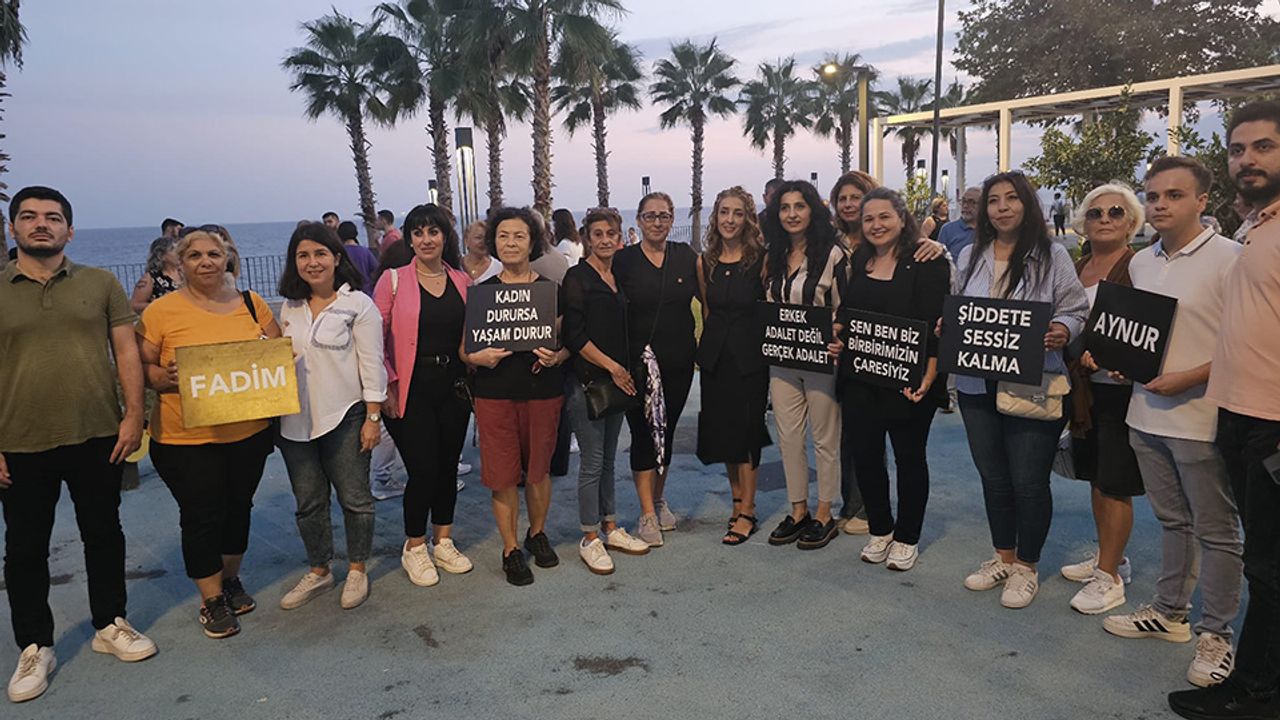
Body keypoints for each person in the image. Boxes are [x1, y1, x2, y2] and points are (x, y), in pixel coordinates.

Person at [2, 186, 156, 703]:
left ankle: (110, 623)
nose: (40, 224)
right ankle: (35, 645)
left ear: (70, 230)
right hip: (20, 440)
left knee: (103, 533)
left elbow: (125, 351)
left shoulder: (100, 283)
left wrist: (133, 414)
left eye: (52, 217)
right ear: (13, 228)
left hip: (96, 433)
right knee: (25, 547)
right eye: (29, 217)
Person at [1102, 156, 1243, 689]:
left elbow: (1245, 343)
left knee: (1217, 531)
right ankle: (1169, 611)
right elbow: (1139, 335)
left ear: (1202, 200)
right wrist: (1124, 361)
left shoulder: (1232, 259)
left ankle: (1217, 633)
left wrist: (1190, 377)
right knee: (1172, 521)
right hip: (1143, 414)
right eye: (1154, 195)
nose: (1160, 205)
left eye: (1174, 195)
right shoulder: (1141, 262)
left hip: (1203, 418)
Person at [1169, 100, 1280, 720]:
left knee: (1268, 566)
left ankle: (1257, 692)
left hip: (1272, 424)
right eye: (1238, 149)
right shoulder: (1258, 227)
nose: (1247, 159)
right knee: (1263, 559)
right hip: (1238, 416)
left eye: (1263, 146)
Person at [137, 229, 280, 639]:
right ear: (180, 264)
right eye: (195, 255)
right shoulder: (161, 312)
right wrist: (162, 377)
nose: (205, 262)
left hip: (248, 433)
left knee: (238, 508)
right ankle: (211, 599)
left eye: (214, 254)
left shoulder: (252, 304)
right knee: (201, 515)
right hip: (184, 439)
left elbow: (277, 354)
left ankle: (230, 579)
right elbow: (140, 367)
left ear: (227, 259)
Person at [955, 171, 1088, 609]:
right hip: (976, 383)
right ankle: (1003, 556)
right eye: (994, 201)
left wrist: (1062, 329)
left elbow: (1076, 309)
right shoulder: (969, 255)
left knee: (1029, 481)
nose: (1002, 208)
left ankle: (1027, 567)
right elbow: (958, 308)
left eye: (1011, 198)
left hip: (1032, 381)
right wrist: (947, 327)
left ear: (1027, 203)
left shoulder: (1052, 255)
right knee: (993, 477)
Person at [275, 223, 386, 611]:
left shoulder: (359, 305)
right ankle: (320, 569)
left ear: (337, 258)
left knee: (355, 498)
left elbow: (372, 363)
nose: (312, 262)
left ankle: (357, 568)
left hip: (346, 416)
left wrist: (373, 417)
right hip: (294, 421)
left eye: (320, 254)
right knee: (308, 502)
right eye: (303, 255)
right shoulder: (289, 307)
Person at [841, 187, 949, 571]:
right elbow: (849, 314)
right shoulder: (860, 258)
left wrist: (930, 374)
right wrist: (839, 335)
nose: (876, 225)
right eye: (869, 218)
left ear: (902, 219)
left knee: (909, 457)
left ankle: (907, 536)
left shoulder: (927, 261)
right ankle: (881, 528)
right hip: (860, 378)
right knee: (866, 457)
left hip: (910, 380)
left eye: (884, 216)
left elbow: (937, 323)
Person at [460, 207, 569, 586]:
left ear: (532, 242)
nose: (510, 243)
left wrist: (558, 356)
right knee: (502, 476)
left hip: (543, 393)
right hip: (495, 395)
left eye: (519, 236)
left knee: (539, 470)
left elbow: (569, 339)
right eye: (503, 236)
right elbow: (464, 350)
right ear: (494, 242)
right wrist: (477, 358)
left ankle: (537, 533)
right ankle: (510, 549)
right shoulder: (482, 293)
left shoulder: (551, 291)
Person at [373, 204, 475, 589]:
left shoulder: (462, 281)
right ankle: (415, 544)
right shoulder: (392, 281)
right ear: (410, 239)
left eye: (434, 231)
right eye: (418, 232)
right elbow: (373, 339)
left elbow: (474, 335)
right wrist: (386, 385)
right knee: (423, 469)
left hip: (454, 387)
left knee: (447, 467)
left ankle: (443, 540)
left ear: (445, 236)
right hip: (409, 388)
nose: (426, 239)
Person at [1059, 183, 1145, 614]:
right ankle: (1111, 558)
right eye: (1095, 213)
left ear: (1131, 222)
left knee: (1115, 484)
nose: (1105, 219)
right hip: (1085, 393)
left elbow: (1148, 328)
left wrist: (1114, 356)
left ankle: (1108, 577)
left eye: (1115, 212)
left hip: (1123, 393)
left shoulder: (1140, 266)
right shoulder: (1076, 267)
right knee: (1096, 478)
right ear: (1083, 223)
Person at [562, 208, 651, 574]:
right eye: (597, 234)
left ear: (618, 236)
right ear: (587, 237)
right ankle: (589, 536)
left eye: (610, 233)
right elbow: (575, 335)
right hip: (588, 382)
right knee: (592, 461)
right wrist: (612, 367)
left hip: (618, 382)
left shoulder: (617, 277)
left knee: (609, 459)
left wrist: (623, 370)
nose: (604, 240)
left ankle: (610, 526)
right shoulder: (577, 277)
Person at [761, 180, 847, 550]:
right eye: (785, 207)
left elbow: (846, 307)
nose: (792, 214)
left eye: (799, 206)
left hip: (821, 359)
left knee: (825, 438)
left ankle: (825, 512)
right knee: (789, 437)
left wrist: (838, 332)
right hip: (782, 359)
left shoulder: (834, 255)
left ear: (813, 210)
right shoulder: (773, 255)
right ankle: (798, 510)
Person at [614, 192, 700, 547]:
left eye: (664, 215)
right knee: (642, 434)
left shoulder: (685, 257)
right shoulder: (624, 260)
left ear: (672, 218)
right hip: (637, 364)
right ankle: (647, 511)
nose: (657, 222)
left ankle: (659, 497)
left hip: (679, 361)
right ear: (638, 220)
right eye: (650, 216)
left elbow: (708, 300)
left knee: (666, 432)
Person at [694, 187, 771, 545]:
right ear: (716, 216)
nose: (730, 219)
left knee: (747, 432)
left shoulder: (761, 261)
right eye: (724, 212)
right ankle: (737, 500)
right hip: (715, 358)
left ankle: (749, 510)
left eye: (737, 213)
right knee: (724, 432)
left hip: (750, 358)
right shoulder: (705, 262)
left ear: (748, 219)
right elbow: (707, 309)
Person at [129, 236, 184, 313]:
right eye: (173, 250)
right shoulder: (150, 278)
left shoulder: (185, 273)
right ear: (162, 256)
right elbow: (135, 305)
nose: (179, 253)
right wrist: (162, 305)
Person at [938, 187, 981, 261]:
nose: (965, 206)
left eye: (972, 202)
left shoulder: (990, 229)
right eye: (963, 201)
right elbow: (939, 259)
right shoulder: (948, 230)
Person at [337, 220, 378, 294]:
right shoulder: (365, 251)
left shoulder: (340, 253)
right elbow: (375, 270)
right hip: (366, 292)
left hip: (347, 291)